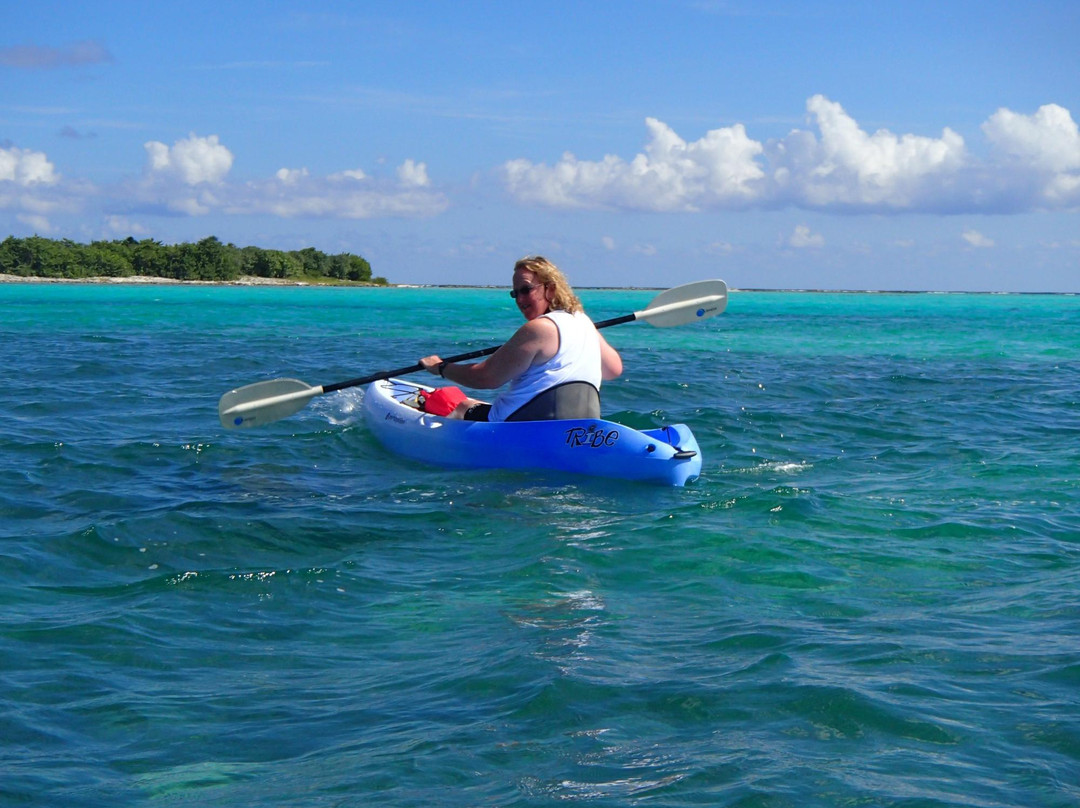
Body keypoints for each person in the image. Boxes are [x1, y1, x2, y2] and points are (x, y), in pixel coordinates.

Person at [419, 256, 623, 421]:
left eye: (526, 290)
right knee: (474, 403)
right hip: (577, 428)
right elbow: (613, 370)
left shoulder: (539, 328)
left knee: (462, 405)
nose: (520, 300)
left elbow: (486, 378)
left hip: (520, 428)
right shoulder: (583, 321)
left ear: (550, 289)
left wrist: (441, 368)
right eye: (515, 293)